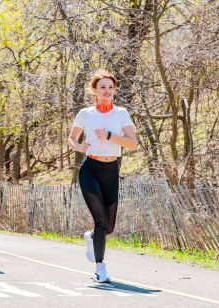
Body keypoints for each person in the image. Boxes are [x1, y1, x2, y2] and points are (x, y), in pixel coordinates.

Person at [68, 70, 137, 282]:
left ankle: (91, 238)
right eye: (102, 88)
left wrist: (108, 136)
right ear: (95, 91)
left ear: (114, 90)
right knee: (100, 221)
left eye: (110, 87)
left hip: (111, 170)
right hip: (90, 169)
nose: (107, 91)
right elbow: (72, 138)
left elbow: (132, 144)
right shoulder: (86, 114)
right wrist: (78, 146)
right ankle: (100, 268)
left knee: (108, 227)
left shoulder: (121, 113)